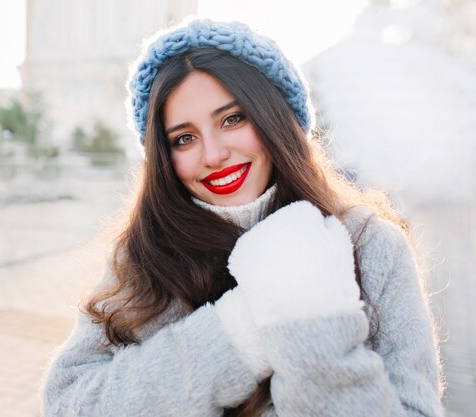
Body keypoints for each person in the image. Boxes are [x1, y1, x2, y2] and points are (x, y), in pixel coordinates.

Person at [42, 19, 444, 417]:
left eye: (232, 119)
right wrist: (238, 331)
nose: (213, 154)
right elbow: (68, 405)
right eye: (184, 138)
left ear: (274, 118)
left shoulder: (372, 244)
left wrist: (312, 328)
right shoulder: (144, 255)